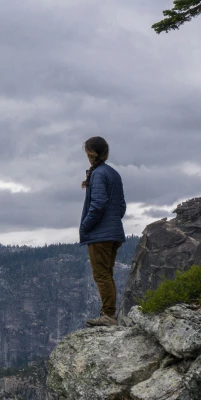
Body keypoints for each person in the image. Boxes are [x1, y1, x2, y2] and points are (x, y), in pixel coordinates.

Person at [79, 136, 126, 327]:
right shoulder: (113, 173)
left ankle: (108, 315)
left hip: (100, 234)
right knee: (107, 273)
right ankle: (109, 314)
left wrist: (86, 226)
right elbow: (121, 206)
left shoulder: (98, 174)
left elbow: (98, 204)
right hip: (114, 232)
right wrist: (113, 222)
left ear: (90, 153)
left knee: (101, 275)